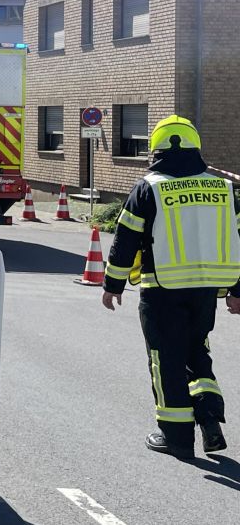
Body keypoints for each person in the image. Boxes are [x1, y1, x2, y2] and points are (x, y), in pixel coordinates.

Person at [101, 115, 240, 459]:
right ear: (195, 146)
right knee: (196, 351)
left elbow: (126, 239)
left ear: (156, 149)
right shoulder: (223, 189)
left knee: (166, 360)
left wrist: (113, 284)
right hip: (206, 290)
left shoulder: (150, 186)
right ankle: (209, 418)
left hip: (162, 289)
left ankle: (176, 437)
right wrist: (237, 291)